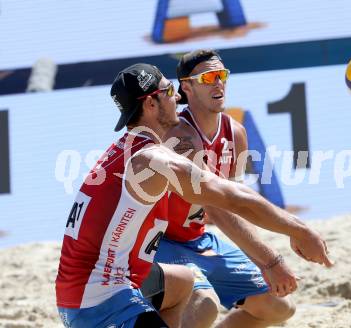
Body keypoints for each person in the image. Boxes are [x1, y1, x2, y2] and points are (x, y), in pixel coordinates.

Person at [55, 63, 331, 328]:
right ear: (151, 104)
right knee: (204, 300)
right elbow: (231, 197)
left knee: (184, 282)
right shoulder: (153, 160)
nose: (177, 96)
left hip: (92, 283)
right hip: (98, 301)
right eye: (168, 91)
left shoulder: (127, 147)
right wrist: (300, 229)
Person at [153, 49, 332, 328]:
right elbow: (219, 209)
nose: (218, 83)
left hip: (198, 240)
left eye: (222, 75)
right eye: (208, 77)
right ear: (186, 87)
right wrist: (270, 261)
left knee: (279, 306)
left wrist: (269, 256)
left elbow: (237, 203)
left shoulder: (234, 132)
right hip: (158, 243)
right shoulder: (180, 137)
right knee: (204, 306)